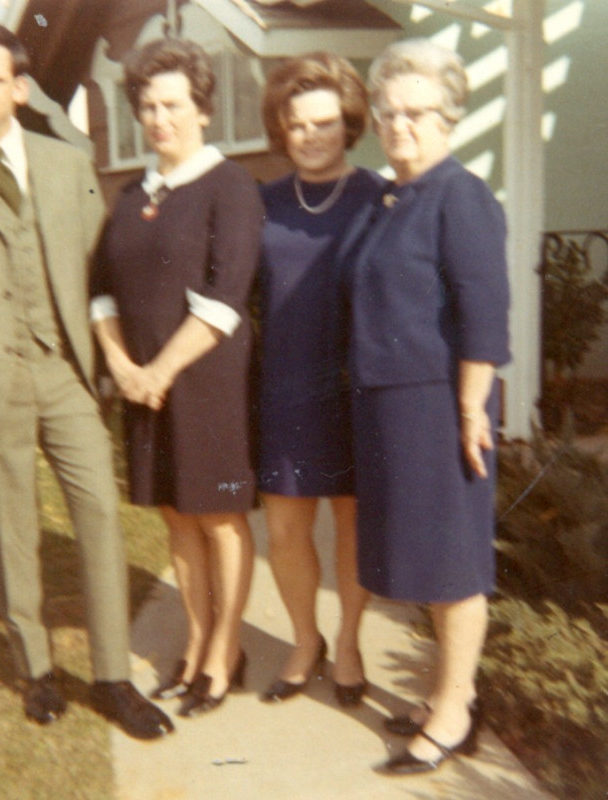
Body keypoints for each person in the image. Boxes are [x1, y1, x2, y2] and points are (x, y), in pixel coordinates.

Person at [0, 22, 173, 741]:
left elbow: (100, 272)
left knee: (101, 520)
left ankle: (112, 677)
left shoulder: (66, 160)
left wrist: (119, 360)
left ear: (18, 87)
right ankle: (36, 670)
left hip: (68, 375)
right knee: (10, 528)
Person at [343, 38, 510, 774]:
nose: (399, 124)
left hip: (441, 406)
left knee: (453, 564)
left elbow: (484, 313)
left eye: (416, 111)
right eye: (387, 111)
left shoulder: (460, 194)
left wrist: (472, 410)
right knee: (421, 559)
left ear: (449, 115)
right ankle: (448, 693)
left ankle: (455, 709)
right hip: (387, 406)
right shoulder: (389, 197)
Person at [91, 38, 263, 718]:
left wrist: (158, 369)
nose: (159, 118)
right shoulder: (133, 195)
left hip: (208, 383)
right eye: (148, 106)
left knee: (218, 515)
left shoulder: (231, 188)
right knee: (176, 516)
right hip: (145, 388)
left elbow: (226, 298)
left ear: (202, 109)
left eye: (173, 105)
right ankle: (194, 645)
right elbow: (101, 293)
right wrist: (124, 369)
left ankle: (225, 651)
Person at [256, 53, 383, 705]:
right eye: (297, 122)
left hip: (355, 389)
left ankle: (352, 639)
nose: (311, 135)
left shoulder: (381, 197)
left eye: (325, 122)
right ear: (281, 127)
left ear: (349, 123)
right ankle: (306, 641)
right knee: (284, 529)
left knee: (354, 526)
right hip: (282, 387)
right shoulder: (261, 202)